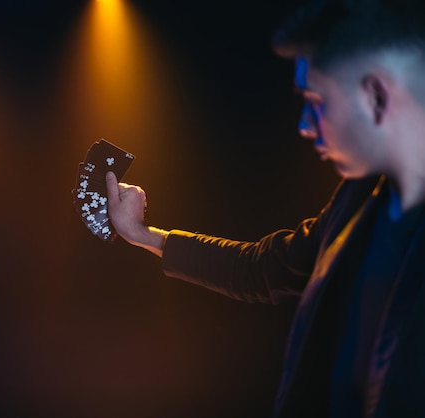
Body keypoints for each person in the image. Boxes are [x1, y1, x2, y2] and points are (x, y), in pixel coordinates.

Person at [104, 0, 425, 416]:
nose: (305, 125)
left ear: (377, 96)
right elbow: (263, 269)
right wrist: (143, 235)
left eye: (317, 100)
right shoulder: (361, 201)